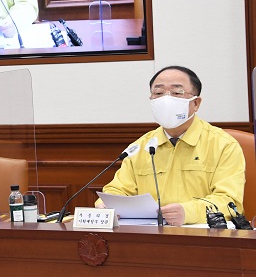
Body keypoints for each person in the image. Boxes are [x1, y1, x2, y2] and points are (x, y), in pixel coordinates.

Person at [96, 66, 246, 226]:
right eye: (159, 93)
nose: (166, 100)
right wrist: (106, 205)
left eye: (176, 93)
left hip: (204, 238)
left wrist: (187, 212)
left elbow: (230, 202)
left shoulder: (223, 145)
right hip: (150, 238)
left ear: (195, 103)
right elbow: (118, 190)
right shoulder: (140, 146)